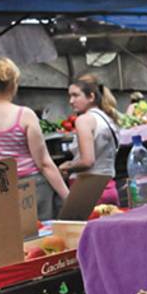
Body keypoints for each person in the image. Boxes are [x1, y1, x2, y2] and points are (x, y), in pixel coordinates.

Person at [0, 58, 69, 223]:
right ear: (14, 84)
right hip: (31, 189)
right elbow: (44, 163)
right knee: (39, 243)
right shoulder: (24, 115)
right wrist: (67, 197)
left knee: (6, 243)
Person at [60, 75, 121, 206]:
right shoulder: (108, 118)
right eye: (70, 96)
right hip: (109, 187)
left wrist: (66, 166)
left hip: (87, 190)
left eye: (76, 95)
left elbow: (87, 161)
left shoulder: (84, 120)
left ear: (91, 97)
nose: (71, 101)